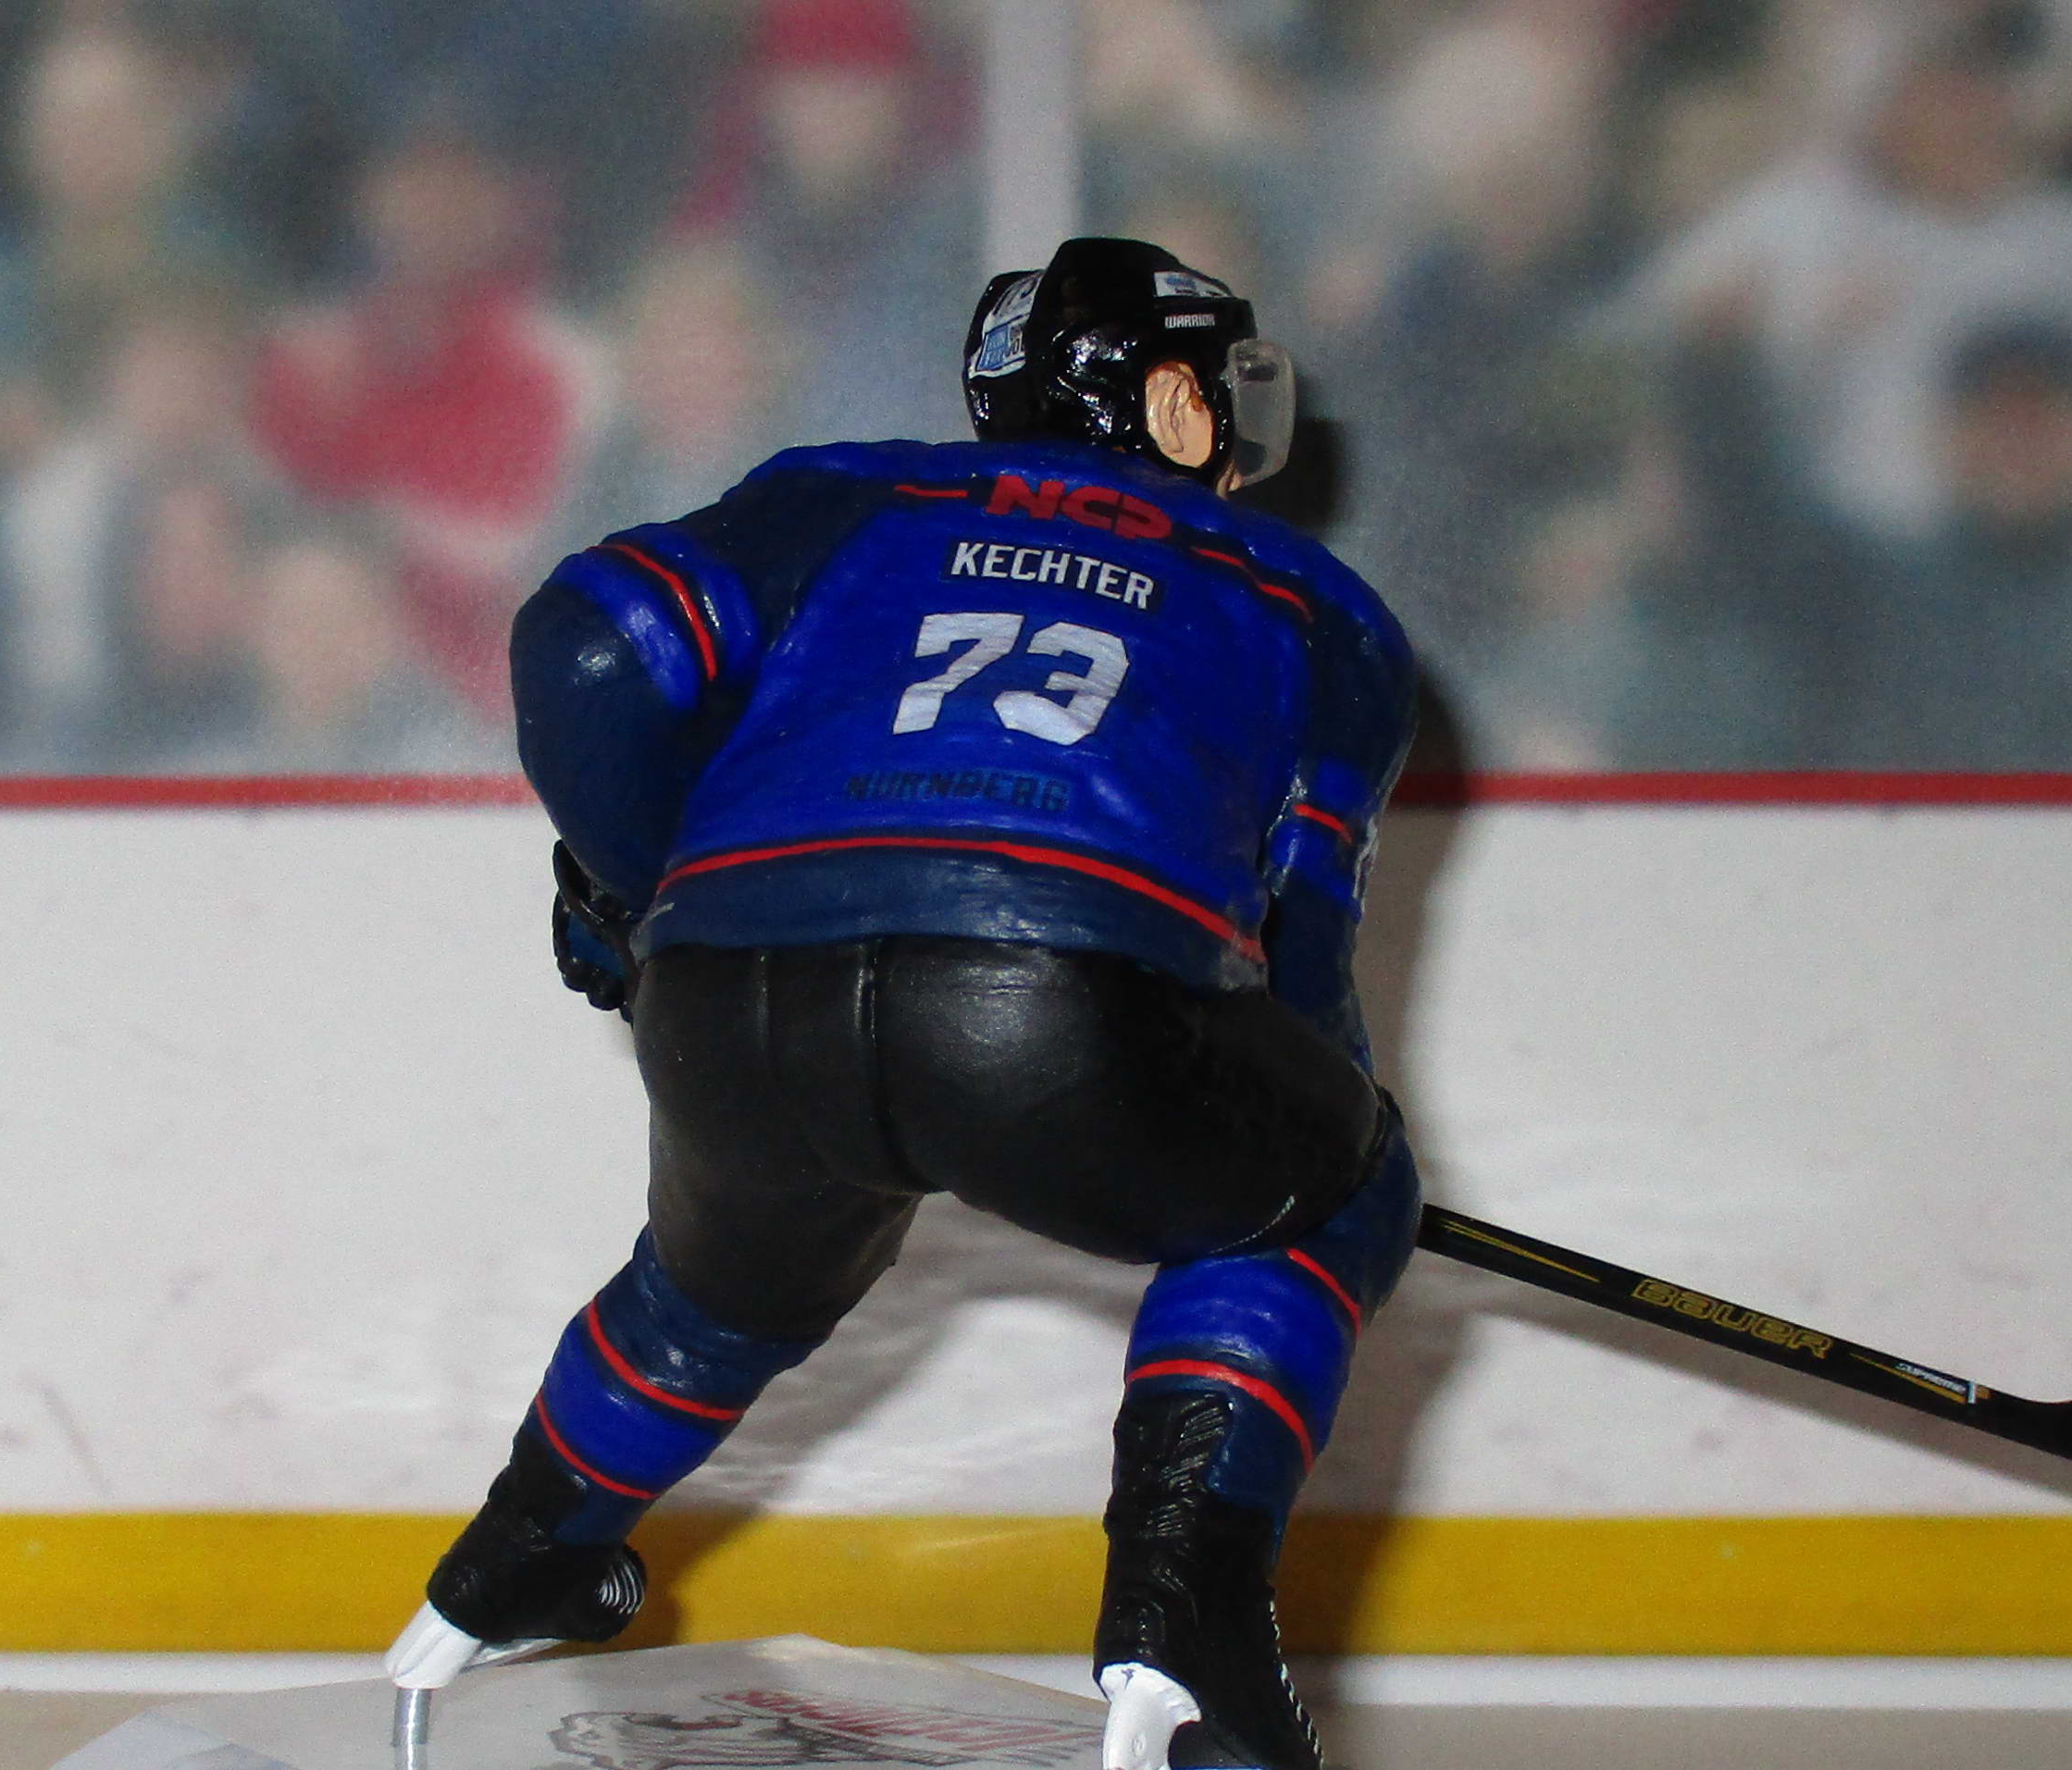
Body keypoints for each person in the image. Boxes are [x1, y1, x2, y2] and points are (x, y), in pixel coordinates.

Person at [383, 239, 1421, 1770]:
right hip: (1055, 996)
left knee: (717, 1293)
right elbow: (1305, 947)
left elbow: (591, 639)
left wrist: (644, 892)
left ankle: (522, 1550)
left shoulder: (845, 493)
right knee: (1333, 1190)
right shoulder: (1316, 607)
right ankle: (1184, 1624)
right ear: (1162, 399)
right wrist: (1319, 1150)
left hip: (733, 1003)